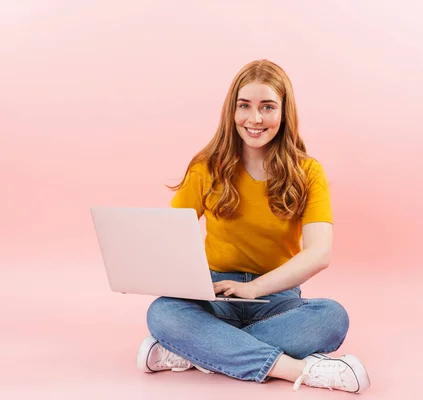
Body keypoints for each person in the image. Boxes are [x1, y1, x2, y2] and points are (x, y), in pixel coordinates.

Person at [136, 59, 371, 394]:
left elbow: (319, 253)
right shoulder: (206, 168)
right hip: (214, 295)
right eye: (244, 106)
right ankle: (299, 369)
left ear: (284, 112)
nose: (255, 119)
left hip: (277, 299)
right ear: (231, 111)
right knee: (163, 313)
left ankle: (195, 351)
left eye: (267, 107)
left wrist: (255, 288)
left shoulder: (308, 172)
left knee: (332, 317)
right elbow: (171, 237)